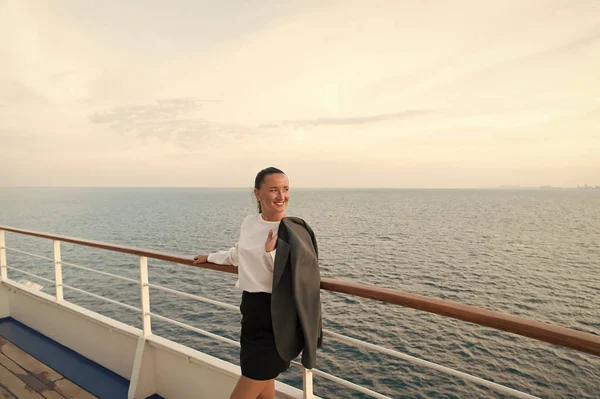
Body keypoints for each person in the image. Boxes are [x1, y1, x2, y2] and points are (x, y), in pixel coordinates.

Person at [193, 167, 291, 399]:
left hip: (275, 315)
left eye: (285, 189)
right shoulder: (249, 223)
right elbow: (238, 255)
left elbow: (294, 275)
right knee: (264, 387)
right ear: (258, 194)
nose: (281, 196)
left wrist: (271, 253)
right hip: (251, 310)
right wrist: (210, 257)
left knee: (248, 386)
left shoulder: (292, 229)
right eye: (274, 190)